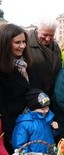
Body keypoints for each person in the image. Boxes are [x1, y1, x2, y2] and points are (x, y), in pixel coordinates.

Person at [0, 23, 41, 154]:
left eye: (24, 41)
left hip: (34, 123)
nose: (22, 46)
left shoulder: (28, 64)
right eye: (17, 42)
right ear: (6, 43)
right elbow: (2, 105)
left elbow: (36, 90)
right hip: (15, 126)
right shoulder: (2, 69)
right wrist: (10, 133)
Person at [12, 89, 58, 154]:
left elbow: (49, 135)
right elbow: (20, 145)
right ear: (33, 108)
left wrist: (55, 129)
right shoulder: (24, 124)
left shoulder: (47, 117)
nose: (46, 110)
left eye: (48, 107)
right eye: (42, 109)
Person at [28, 17, 62, 98]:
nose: (47, 39)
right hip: (34, 95)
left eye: (51, 35)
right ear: (37, 30)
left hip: (51, 94)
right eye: (45, 34)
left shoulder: (55, 46)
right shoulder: (26, 44)